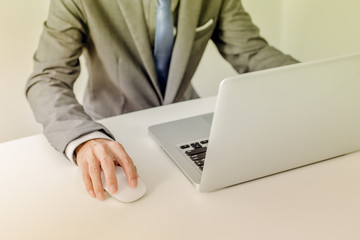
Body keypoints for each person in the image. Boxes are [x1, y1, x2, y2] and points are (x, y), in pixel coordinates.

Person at [26, 0, 298, 201]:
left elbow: (254, 53)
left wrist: (311, 84)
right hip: (113, 131)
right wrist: (85, 137)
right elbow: (47, 78)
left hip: (187, 124)